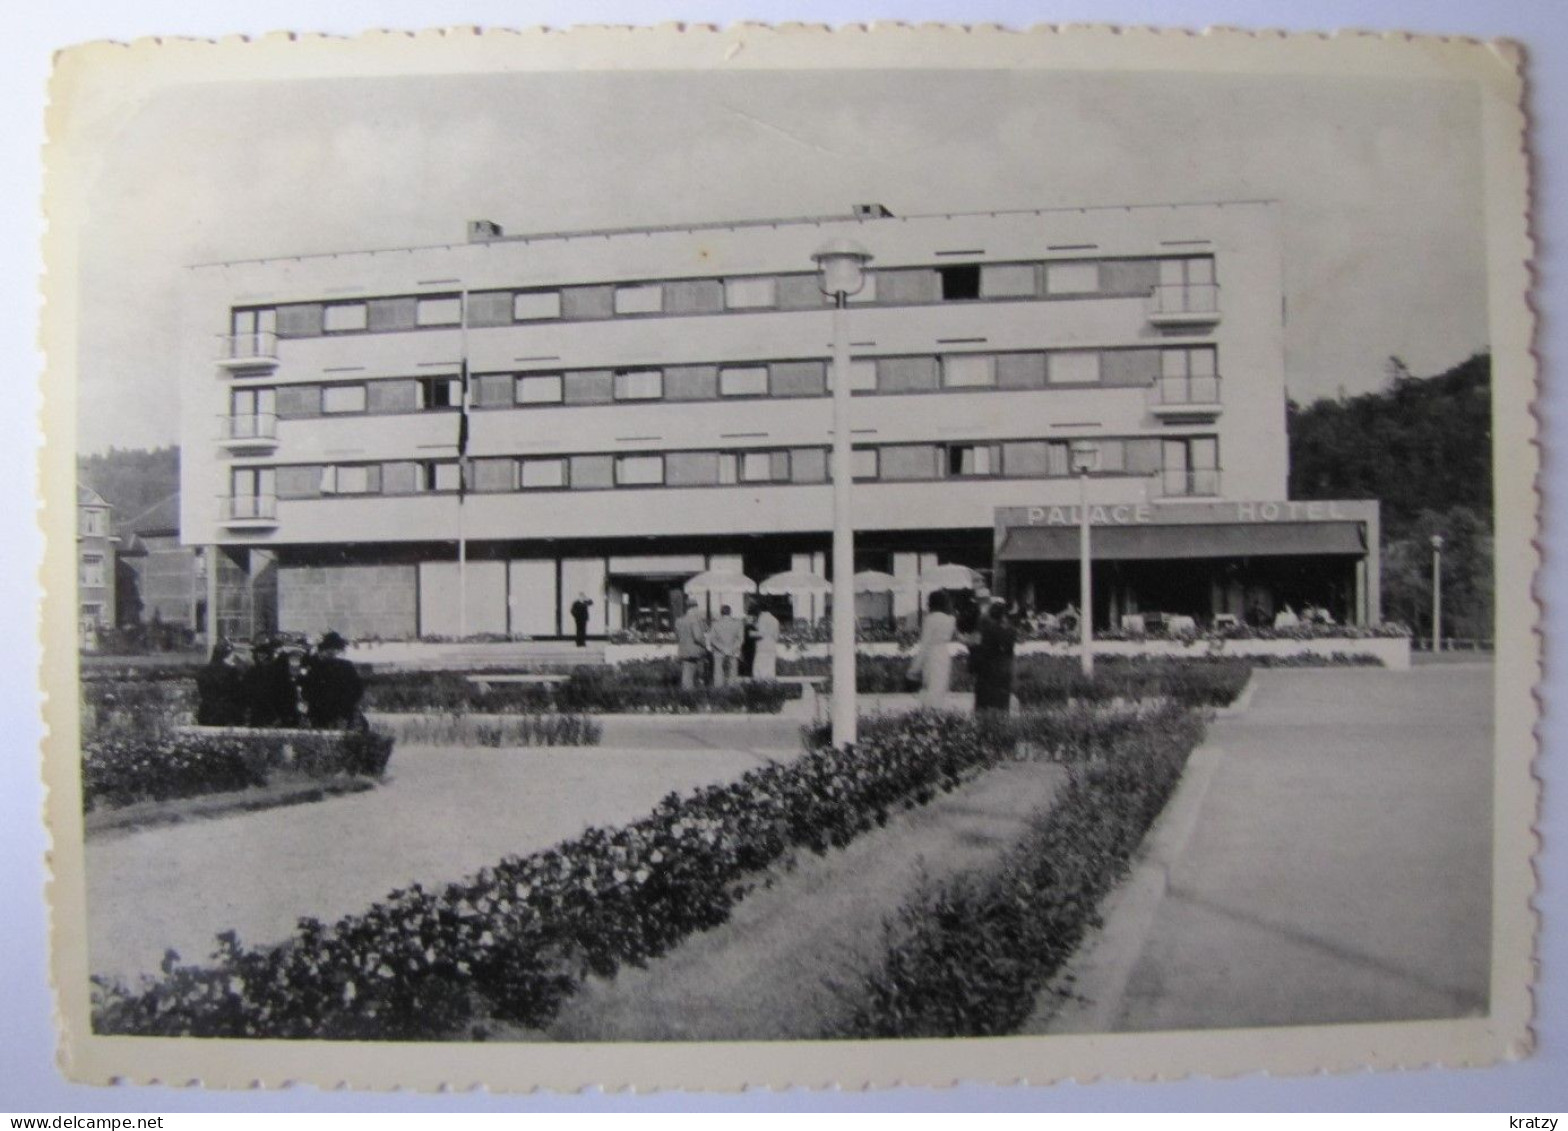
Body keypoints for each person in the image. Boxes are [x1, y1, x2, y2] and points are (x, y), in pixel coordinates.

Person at [300, 630, 364, 730]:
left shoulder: (315, 665)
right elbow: (357, 689)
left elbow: (306, 690)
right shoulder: (347, 666)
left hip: (320, 712)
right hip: (341, 712)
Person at [908, 591, 958, 709]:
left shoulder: (930, 619)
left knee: (930, 688)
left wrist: (914, 668)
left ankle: (928, 717)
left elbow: (924, 644)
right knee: (940, 688)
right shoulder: (951, 619)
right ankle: (938, 716)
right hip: (944, 653)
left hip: (932, 654)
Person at [970, 601, 1018, 715]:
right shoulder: (1011, 631)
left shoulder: (983, 630)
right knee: (1001, 708)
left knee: (983, 708)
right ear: (1004, 615)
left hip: (985, 673)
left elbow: (975, 649)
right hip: (1003, 673)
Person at [245, 636, 300, 728]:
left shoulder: (276, 670)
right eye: (259, 656)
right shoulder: (256, 671)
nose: (261, 659)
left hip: (271, 712)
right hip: (264, 712)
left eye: (263, 656)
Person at [195, 639, 247, 726]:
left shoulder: (203, 671)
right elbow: (238, 695)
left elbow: (203, 693)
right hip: (228, 715)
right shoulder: (232, 672)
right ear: (228, 655)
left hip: (207, 714)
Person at [673, 597, 708, 691]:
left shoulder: (679, 621)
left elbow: (677, 636)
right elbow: (697, 637)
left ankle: (686, 693)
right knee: (693, 674)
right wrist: (706, 645)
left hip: (683, 650)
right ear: (694, 608)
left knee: (686, 674)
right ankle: (689, 695)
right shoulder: (694, 620)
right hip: (694, 651)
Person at [707, 604, 746, 688]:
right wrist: (732, 648)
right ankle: (731, 690)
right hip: (733, 651)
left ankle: (719, 691)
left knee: (718, 672)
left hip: (718, 651)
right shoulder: (738, 623)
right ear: (730, 612)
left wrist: (722, 648)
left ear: (721, 613)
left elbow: (712, 639)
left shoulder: (715, 624)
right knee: (733, 672)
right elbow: (740, 639)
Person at [751, 602, 780, 681]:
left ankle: (760, 688)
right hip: (772, 646)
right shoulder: (775, 620)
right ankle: (769, 688)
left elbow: (761, 634)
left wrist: (751, 633)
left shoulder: (762, 618)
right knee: (770, 670)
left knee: (759, 670)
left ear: (760, 610)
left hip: (762, 647)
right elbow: (777, 636)